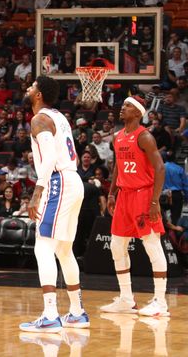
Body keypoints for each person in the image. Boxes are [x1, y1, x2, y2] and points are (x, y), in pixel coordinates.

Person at [20, 76, 89, 333]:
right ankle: (77, 312)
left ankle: (50, 314)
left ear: (38, 95)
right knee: (64, 250)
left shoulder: (39, 119)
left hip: (59, 182)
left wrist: (38, 191)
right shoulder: (59, 116)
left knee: (43, 246)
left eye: (32, 86)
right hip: (72, 180)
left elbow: (49, 157)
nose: (28, 89)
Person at [100, 97, 170, 317]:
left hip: (143, 195)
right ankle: (126, 299)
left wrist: (154, 201)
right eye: (123, 105)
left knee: (152, 245)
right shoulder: (117, 136)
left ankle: (160, 302)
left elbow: (160, 169)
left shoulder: (145, 136)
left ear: (139, 113)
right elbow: (118, 168)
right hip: (124, 196)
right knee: (116, 246)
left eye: (128, 105)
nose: (123, 107)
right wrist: (111, 193)